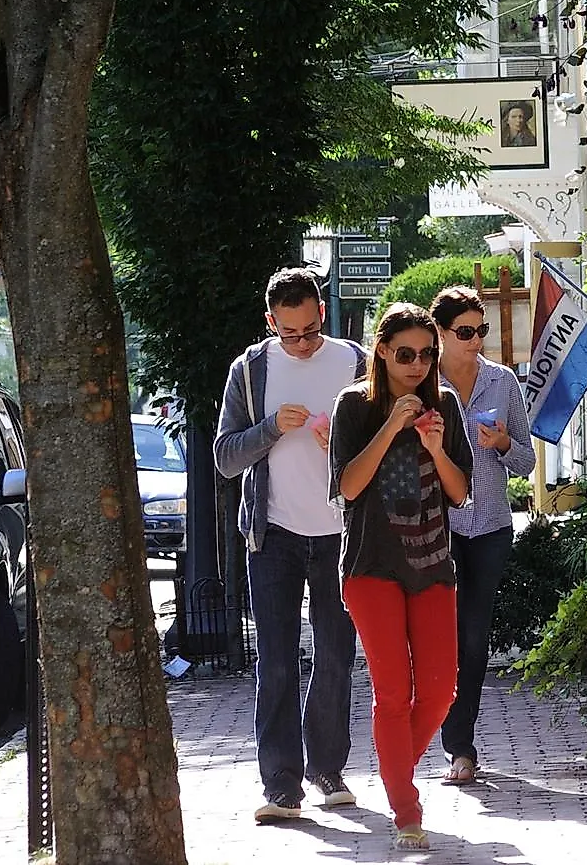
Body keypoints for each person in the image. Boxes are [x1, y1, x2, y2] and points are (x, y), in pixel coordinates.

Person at [213, 268, 364, 823]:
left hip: (341, 533)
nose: (300, 343)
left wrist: (340, 443)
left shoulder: (354, 363)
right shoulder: (250, 370)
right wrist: (272, 426)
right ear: (270, 321)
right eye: (288, 333)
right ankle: (280, 784)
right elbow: (225, 457)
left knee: (335, 656)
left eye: (309, 330)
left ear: (322, 312)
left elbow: (381, 446)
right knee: (275, 662)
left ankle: (328, 769)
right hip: (272, 532)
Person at [332, 302, 474, 850]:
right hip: (371, 565)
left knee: (439, 692)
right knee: (393, 693)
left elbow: (459, 493)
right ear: (383, 352)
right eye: (406, 354)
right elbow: (348, 488)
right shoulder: (354, 406)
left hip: (433, 564)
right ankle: (406, 811)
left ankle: (394, 769)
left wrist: (435, 447)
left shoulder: (445, 405)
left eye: (427, 354)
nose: (418, 365)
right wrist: (392, 424)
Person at [429, 284, 528, 785]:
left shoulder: (502, 382)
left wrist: (504, 443)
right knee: (440, 637)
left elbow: (527, 462)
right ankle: (437, 732)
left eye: (481, 330)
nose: (476, 340)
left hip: (489, 526)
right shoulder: (424, 384)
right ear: (441, 333)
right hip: (437, 528)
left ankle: (459, 747)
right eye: (465, 332)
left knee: (473, 638)